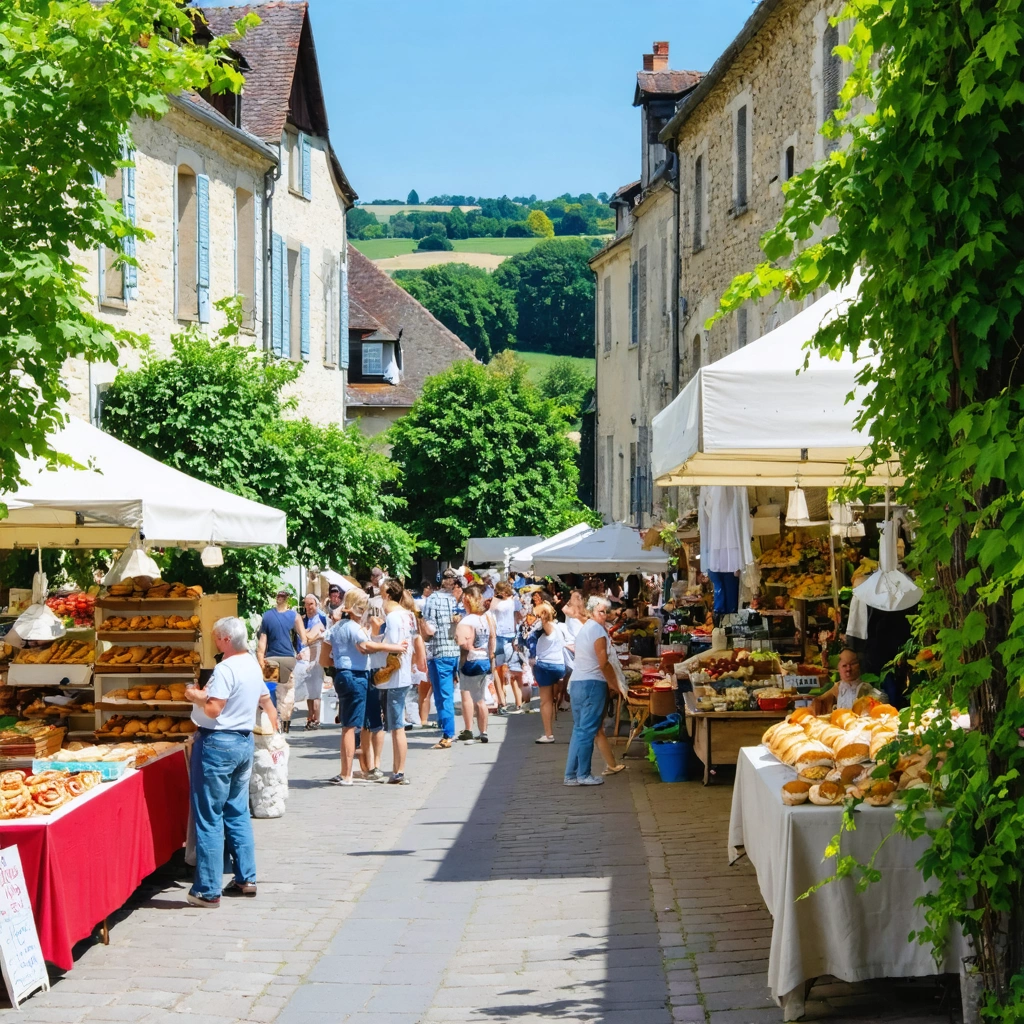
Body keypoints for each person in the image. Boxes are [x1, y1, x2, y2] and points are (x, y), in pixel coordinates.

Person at [184, 617, 278, 907]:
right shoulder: (251, 664)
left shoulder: (226, 668)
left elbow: (213, 709)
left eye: (216, 637)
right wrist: (274, 734)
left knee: (210, 815)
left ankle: (208, 890)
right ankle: (246, 878)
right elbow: (266, 701)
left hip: (217, 743)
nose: (214, 642)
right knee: (237, 811)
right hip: (243, 741)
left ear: (226, 640)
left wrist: (194, 695)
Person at [325, 590, 406, 786]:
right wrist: (394, 647)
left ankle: (345, 771)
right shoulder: (355, 628)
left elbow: (326, 647)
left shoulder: (337, 627)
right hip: (356, 675)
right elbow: (366, 646)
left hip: (341, 674)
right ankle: (347, 775)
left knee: (346, 726)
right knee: (352, 727)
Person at [563, 597, 617, 787]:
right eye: (600, 611)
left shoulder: (586, 628)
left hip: (578, 682)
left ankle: (571, 774)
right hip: (591, 684)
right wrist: (614, 684)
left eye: (605, 612)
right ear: (592, 612)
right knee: (586, 731)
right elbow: (603, 663)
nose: (604, 615)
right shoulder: (596, 630)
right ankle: (583, 774)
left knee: (579, 730)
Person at [377, 579, 415, 782]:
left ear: (388, 595)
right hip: (405, 673)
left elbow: (391, 646)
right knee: (396, 724)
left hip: (394, 676)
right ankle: (396, 768)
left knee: (397, 726)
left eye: (382, 594)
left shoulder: (392, 617)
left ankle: (399, 771)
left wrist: (375, 641)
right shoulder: (408, 615)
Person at [256, 588, 308, 733]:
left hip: (271, 659)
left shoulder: (267, 616)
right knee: (287, 692)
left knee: (270, 692)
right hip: (288, 659)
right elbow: (304, 638)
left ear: (276, 598)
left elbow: (262, 643)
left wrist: (261, 660)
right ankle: (284, 724)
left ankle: (272, 724)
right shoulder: (294, 616)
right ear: (288, 599)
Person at [421, 568, 460, 750]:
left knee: (443, 695)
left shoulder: (433, 600)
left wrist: (420, 623)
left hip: (439, 652)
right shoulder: (458, 599)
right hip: (457, 652)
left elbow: (430, 631)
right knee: (452, 694)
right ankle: (451, 728)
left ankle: (448, 734)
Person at [455, 586, 496, 742]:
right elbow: (492, 639)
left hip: (469, 661)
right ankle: (484, 731)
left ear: (467, 600)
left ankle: (468, 729)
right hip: (484, 660)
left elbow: (463, 643)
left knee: (467, 696)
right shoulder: (487, 618)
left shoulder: (467, 620)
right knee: (481, 699)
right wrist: (491, 657)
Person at [532, 602, 567, 743]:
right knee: (553, 697)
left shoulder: (546, 626)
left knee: (545, 702)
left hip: (546, 665)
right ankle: (555, 713)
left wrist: (540, 619)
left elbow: (543, 625)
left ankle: (548, 734)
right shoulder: (559, 627)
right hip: (559, 665)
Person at [813, 648, 885, 714]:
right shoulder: (837, 688)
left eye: (852, 664)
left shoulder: (865, 689)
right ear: (838, 669)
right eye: (844, 665)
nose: (848, 669)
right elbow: (821, 701)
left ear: (859, 666)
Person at [490, 581, 524, 715]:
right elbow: (491, 611)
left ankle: (518, 702)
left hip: (509, 635)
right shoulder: (497, 601)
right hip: (500, 635)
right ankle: (502, 702)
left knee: (512, 670)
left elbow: (519, 615)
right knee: (498, 670)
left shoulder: (514, 601)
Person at [298, 593, 327, 730]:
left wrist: (308, 634)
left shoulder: (321, 618)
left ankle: (317, 718)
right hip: (304, 657)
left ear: (316, 605)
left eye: (311, 604)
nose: (309, 607)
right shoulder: (302, 620)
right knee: (308, 688)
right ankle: (310, 717)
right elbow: (302, 639)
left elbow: (310, 637)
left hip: (317, 655)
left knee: (316, 686)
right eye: (307, 604)